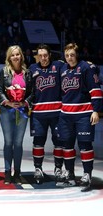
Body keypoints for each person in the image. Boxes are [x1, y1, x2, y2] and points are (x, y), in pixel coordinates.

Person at [56, 43, 103, 192]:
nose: (70, 58)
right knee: (67, 146)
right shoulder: (62, 69)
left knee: (85, 146)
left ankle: (87, 175)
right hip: (66, 115)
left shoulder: (86, 68)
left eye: (72, 55)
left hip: (83, 114)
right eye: (67, 55)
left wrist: (96, 111)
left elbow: (95, 90)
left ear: (77, 55)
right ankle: (70, 175)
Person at [29, 44, 65, 184]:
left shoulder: (59, 66)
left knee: (58, 142)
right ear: (37, 56)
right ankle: (38, 169)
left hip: (56, 113)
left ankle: (58, 168)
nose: (43, 58)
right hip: (38, 113)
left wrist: (90, 65)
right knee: (38, 142)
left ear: (49, 55)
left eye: (45, 55)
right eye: (40, 55)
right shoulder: (32, 68)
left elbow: (75, 66)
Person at [0, 45, 33, 185]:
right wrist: (7, 102)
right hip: (7, 111)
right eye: (13, 55)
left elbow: (32, 93)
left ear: (21, 56)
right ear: (9, 57)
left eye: (18, 54)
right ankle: (7, 172)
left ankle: (17, 172)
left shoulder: (27, 73)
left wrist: (25, 102)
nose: (15, 57)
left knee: (18, 143)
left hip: (22, 111)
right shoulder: (4, 71)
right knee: (8, 142)